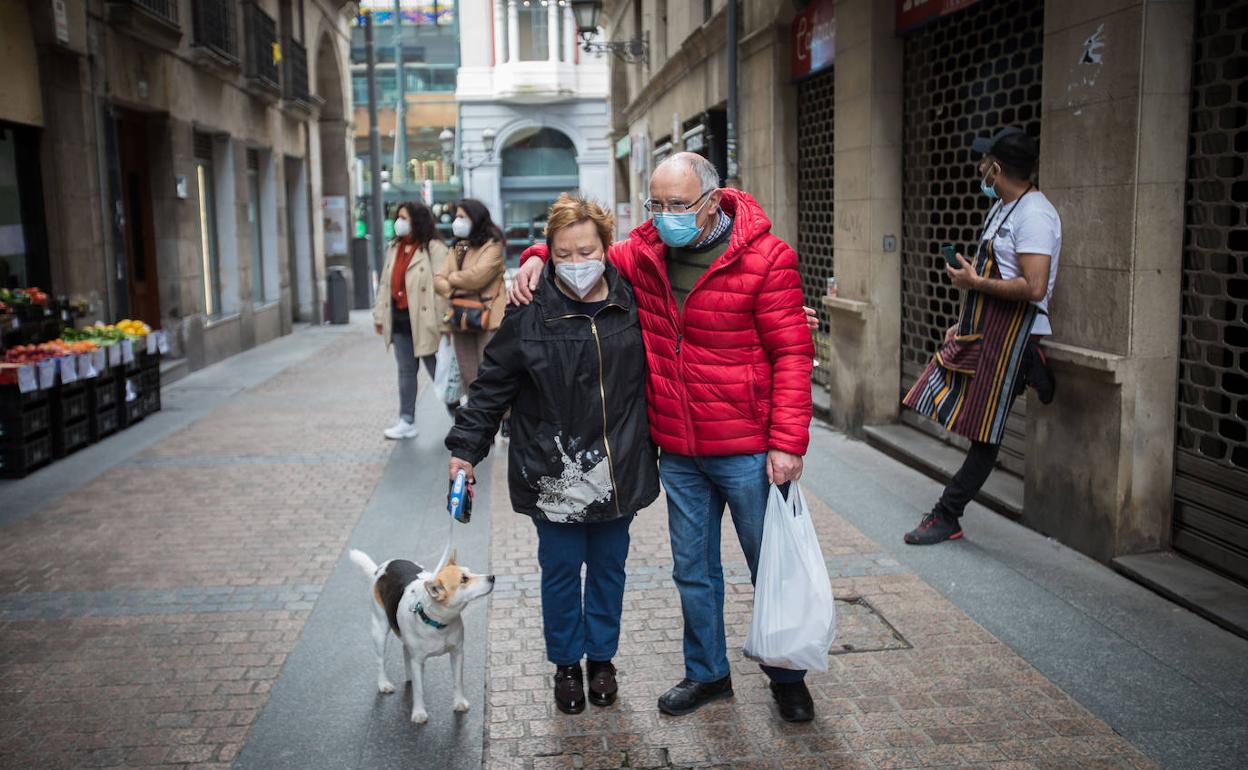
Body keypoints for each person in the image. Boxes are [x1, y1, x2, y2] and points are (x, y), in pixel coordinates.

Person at [511, 153, 817, 723]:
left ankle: (787, 677)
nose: (665, 216)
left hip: (749, 446)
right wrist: (533, 257)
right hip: (676, 448)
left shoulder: (769, 259)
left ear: (712, 201)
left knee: (767, 565)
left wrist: (787, 441)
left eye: (678, 205)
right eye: (657, 204)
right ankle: (707, 674)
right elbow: (582, 249)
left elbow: (793, 353)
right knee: (693, 571)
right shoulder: (644, 253)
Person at [446, 194, 658, 715]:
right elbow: (492, 387)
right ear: (550, 253)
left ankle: (602, 659)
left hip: (619, 464)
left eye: (586, 251)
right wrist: (465, 452)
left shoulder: (635, 299)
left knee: (610, 567)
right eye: (563, 253)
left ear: (607, 249)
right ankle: (566, 663)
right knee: (562, 570)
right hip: (554, 471)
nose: (576, 263)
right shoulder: (528, 310)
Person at [902, 127, 1059, 545]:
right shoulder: (1002, 209)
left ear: (998, 167)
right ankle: (1033, 370)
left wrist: (975, 285)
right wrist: (965, 316)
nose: (979, 168)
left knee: (984, 430)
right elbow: (992, 274)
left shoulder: (1035, 216)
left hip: (1013, 335)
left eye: (984, 162)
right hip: (986, 328)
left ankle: (947, 515)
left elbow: (1035, 286)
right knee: (943, 388)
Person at [373, 201, 450, 439]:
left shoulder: (434, 248)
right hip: (399, 318)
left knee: (440, 373)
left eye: (404, 218)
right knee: (406, 371)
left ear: (416, 221)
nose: (400, 222)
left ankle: (465, 421)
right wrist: (379, 316)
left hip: (426, 321)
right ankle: (407, 420)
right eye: (399, 218)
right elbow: (385, 284)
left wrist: (444, 321)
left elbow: (444, 286)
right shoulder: (394, 248)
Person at [434, 199, 506, 398]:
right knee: (468, 374)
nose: (457, 221)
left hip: (487, 316)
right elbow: (438, 280)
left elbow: (477, 277)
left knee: (490, 373)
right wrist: (453, 286)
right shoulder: (457, 247)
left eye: (461, 217)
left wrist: (452, 278)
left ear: (475, 218)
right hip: (460, 317)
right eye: (456, 216)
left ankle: (503, 420)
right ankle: (476, 420)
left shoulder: (492, 245)